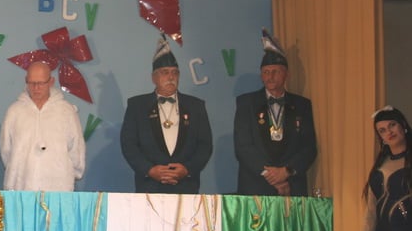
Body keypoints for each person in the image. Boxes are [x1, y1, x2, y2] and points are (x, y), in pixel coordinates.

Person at [120, 34, 213, 194]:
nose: (171, 77)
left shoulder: (196, 106)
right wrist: (149, 170)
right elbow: (129, 144)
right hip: (149, 187)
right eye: (164, 72)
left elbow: (205, 145)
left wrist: (187, 169)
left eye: (175, 73)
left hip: (186, 186)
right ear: (153, 78)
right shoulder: (137, 106)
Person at [234, 29, 317, 196]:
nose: (270, 76)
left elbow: (309, 148)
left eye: (276, 71)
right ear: (261, 75)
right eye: (266, 72)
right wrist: (272, 177)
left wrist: (286, 172)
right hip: (256, 186)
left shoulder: (302, 105)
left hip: (292, 185)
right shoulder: (246, 103)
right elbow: (243, 147)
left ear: (287, 74)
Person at [0, 61, 85, 192]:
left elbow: (76, 150)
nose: (36, 88)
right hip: (20, 187)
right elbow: (6, 151)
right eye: (31, 83)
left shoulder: (66, 111)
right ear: (26, 81)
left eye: (41, 83)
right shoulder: (14, 111)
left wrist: (66, 174)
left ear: (51, 82)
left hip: (58, 188)